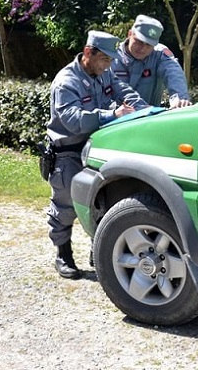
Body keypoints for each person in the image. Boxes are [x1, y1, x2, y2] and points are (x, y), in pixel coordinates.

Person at [46, 31, 148, 279]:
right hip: (68, 152)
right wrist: (111, 115)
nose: (108, 66)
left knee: (105, 200)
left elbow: (122, 90)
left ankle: (99, 249)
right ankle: (63, 253)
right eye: (105, 59)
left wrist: (145, 110)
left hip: (97, 147)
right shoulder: (66, 82)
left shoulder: (104, 72)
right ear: (88, 53)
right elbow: (72, 121)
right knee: (66, 204)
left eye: (111, 61)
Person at [111, 14, 192, 108]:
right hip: (115, 120)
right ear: (129, 34)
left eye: (148, 45)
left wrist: (179, 98)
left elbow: (173, 73)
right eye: (139, 42)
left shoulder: (160, 55)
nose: (143, 49)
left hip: (150, 120)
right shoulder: (110, 57)